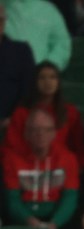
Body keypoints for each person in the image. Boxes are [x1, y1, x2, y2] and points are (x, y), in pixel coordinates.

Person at [2, 108, 79, 229]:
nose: (40, 134)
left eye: (47, 129)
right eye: (35, 129)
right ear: (26, 133)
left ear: (54, 133)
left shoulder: (68, 159)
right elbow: (12, 200)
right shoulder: (12, 159)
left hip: (58, 221)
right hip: (22, 221)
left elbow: (70, 198)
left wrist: (55, 223)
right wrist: (27, 219)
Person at [2, 60, 84, 168]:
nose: (48, 82)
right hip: (27, 169)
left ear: (58, 82)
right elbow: (11, 146)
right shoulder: (22, 112)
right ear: (34, 82)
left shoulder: (70, 112)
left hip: (60, 170)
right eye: (42, 78)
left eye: (53, 77)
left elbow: (79, 147)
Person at [0, 3, 36, 141]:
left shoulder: (21, 52)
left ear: (3, 23)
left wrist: (12, 119)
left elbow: (28, 90)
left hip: (11, 125)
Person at [3, 0, 71, 71]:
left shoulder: (49, 11)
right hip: (6, 74)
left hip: (40, 77)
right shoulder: (3, 8)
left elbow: (62, 43)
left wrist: (48, 67)